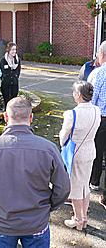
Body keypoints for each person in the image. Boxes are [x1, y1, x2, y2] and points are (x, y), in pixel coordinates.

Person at [0, 96, 70, 248]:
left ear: (5, 117)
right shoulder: (48, 148)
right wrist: (48, 207)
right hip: (37, 222)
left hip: (2, 222)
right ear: (31, 117)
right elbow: (62, 187)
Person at [59, 81, 101, 230]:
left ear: (78, 95)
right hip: (90, 150)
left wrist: (62, 143)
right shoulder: (97, 110)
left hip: (75, 152)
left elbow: (63, 136)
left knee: (76, 187)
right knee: (85, 185)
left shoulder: (72, 114)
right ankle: (84, 217)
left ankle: (78, 220)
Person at [89, 40, 106, 190]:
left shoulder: (98, 73)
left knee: (97, 150)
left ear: (101, 55)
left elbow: (91, 98)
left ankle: (94, 181)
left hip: (100, 117)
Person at [0, 42, 21, 108]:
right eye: (12, 50)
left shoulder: (17, 60)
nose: (14, 51)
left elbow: (18, 71)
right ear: (8, 50)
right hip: (6, 84)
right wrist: (5, 78)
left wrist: (15, 78)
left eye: (15, 49)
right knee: (7, 102)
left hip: (14, 84)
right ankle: (7, 116)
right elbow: (0, 72)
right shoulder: (3, 60)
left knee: (14, 102)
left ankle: (13, 116)